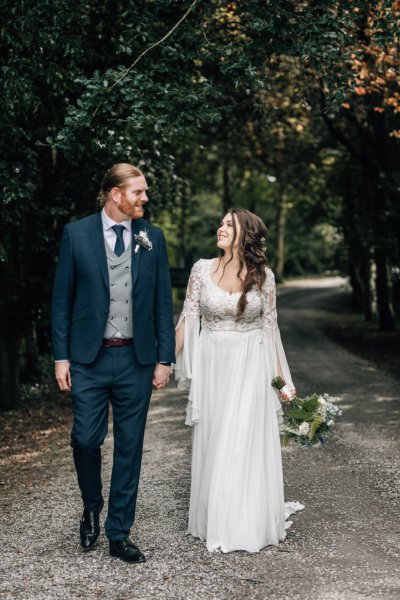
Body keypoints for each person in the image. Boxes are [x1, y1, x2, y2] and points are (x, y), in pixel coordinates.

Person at [51, 163, 175, 564]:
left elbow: (161, 302)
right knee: (85, 439)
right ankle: (92, 503)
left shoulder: (151, 237)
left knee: (129, 448)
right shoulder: (76, 233)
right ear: (115, 194)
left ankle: (119, 532)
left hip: (136, 359)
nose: (144, 198)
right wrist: (61, 356)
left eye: (144, 192)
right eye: (137, 192)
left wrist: (164, 359)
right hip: (89, 358)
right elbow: (61, 301)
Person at [175, 208, 302, 553]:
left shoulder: (265, 277)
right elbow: (187, 319)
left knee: (241, 439)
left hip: (251, 365)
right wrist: (159, 363)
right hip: (213, 365)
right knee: (217, 439)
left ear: (245, 234)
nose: (220, 227)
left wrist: (282, 382)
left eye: (228, 224)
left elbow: (270, 330)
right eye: (220, 222)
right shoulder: (201, 270)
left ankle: (243, 522)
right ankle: (217, 517)